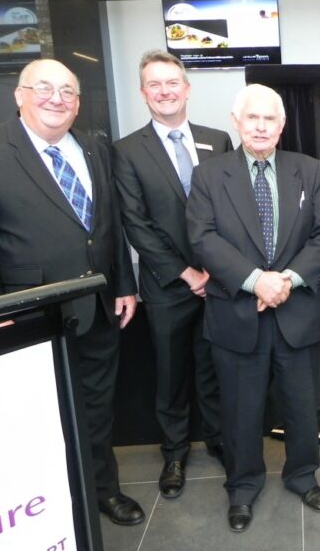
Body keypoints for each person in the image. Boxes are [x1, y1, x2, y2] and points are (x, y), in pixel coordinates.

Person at [0, 59, 145, 526]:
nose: (56, 99)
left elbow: (109, 224)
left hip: (98, 307)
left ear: (78, 103)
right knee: (36, 415)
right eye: (43, 88)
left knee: (96, 408)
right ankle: (47, 503)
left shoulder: (94, 148)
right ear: (19, 95)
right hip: (26, 315)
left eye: (67, 91)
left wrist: (123, 285)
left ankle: (102, 490)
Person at [186, 83, 320, 533]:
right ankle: (243, 486)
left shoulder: (307, 170)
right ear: (236, 122)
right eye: (251, 117)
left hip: (296, 310)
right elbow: (203, 238)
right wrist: (256, 281)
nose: (259, 126)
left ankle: (303, 475)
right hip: (237, 313)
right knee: (240, 409)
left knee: (301, 404)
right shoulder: (209, 175)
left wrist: (285, 280)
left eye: (269, 118)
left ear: (282, 124)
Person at [113, 50, 233, 499]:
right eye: (154, 84)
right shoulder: (126, 151)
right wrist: (186, 273)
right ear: (143, 93)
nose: (165, 91)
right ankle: (175, 453)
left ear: (186, 88)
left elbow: (233, 211)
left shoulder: (218, 140)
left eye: (171, 83)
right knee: (171, 374)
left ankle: (220, 440)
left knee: (215, 366)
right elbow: (136, 224)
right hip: (168, 285)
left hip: (218, 282)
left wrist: (215, 270)